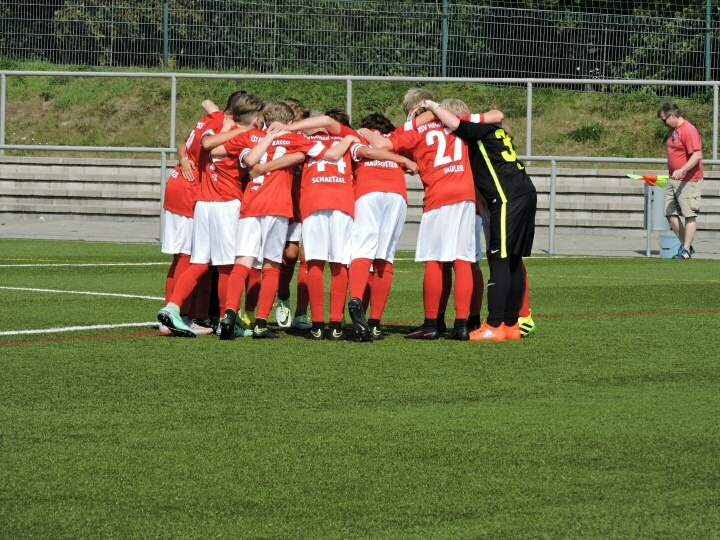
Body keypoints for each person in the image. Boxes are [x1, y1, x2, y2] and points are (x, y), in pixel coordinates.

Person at [424, 99, 536, 342]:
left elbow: (459, 124)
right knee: (513, 261)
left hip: (506, 197)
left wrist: (432, 105)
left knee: (499, 260)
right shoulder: (491, 129)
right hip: (524, 192)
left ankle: (494, 325)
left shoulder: (473, 130)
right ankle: (511, 325)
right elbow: (498, 116)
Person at [157, 92, 266, 337]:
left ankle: (172, 308)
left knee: (198, 263)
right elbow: (252, 162)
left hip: (203, 203)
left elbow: (206, 143)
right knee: (227, 267)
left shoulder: (218, 126)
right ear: (255, 119)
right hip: (226, 203)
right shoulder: (247, 135)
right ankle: (227, 318)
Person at [657, 101, 703, 260]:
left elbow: (697, 155)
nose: (663, 123)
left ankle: (685, 250)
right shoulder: (673, 131)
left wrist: (682, 169)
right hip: (673, 179)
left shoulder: (688, 130)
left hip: (689, 179)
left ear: (672, 116)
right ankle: (686, 246)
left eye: (664, 120)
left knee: (689, 214)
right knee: (669, 213)